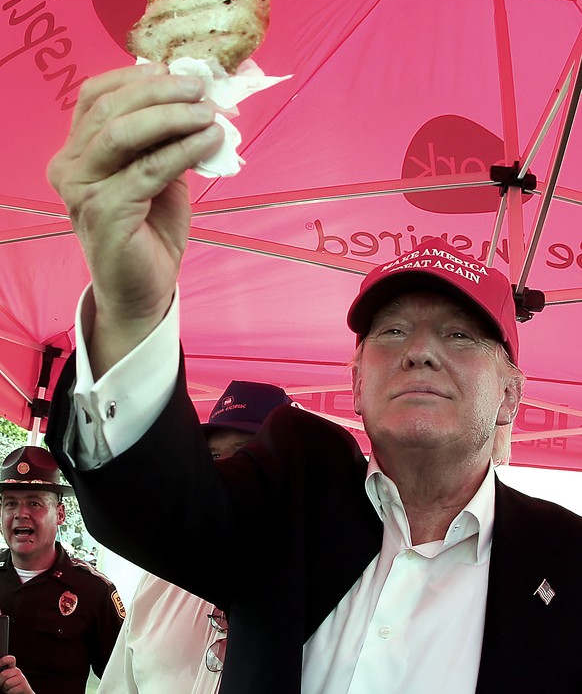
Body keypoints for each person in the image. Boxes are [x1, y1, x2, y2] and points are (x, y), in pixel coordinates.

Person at [44, 64, 582, 693]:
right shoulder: (295, 490)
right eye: (392, 332)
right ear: (355, 382)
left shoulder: (567, 559)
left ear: (510, 395)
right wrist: (131, 308)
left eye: (459, 335)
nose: (420, 353)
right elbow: (151, 506)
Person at [97, 380, 294, 694]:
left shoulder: (321, 588)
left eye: (246, 453)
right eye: (213, 456)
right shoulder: (160, 580)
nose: (226, 470)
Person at [0, 446, 125, 694]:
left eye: (34, 503)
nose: (20, 514)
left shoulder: (94, 591)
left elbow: (122, 681)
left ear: (60, 514)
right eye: (10, 503)